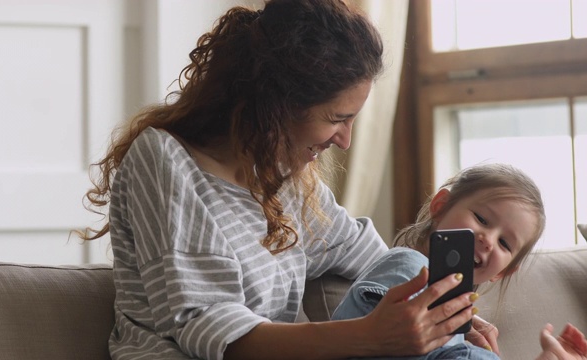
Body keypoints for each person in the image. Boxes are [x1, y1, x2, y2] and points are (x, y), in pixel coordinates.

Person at [77, 0, 496, 359]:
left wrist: (449, 317)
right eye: (338, 119)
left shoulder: (286, 181)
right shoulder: (164, 160)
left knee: (407, 266)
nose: (346, 141)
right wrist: (370, 335)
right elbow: (209, 328)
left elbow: (370, 255)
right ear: (276, 104)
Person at [331, 163, 587, 360]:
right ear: (440, 206)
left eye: (504, 244)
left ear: (504, 271)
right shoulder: (407, 265)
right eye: (482, 219)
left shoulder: (458, 322)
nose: (488, 240)